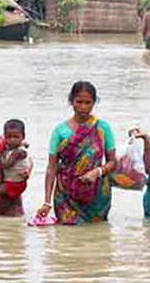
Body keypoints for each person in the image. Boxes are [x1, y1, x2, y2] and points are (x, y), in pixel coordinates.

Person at [37, 81, 117, 225]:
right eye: (79, 102)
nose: (83, 107)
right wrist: (47, 202)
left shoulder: (103, 128)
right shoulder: (60, 131)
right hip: (66, 196)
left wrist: (97, 172)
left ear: (94, 103)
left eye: (88, 102)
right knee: (67, 238)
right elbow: (52, 167)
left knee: (96, 238)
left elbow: (112, 162)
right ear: (71, 101)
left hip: (96, 195)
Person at [0, 119, 34, 205]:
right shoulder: (13, 148)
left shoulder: (18, 152)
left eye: (16, 137)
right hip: (13, 182)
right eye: (8, 137)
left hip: (14, 184)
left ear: (23, 136)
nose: (12, 140)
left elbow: (6, 165)